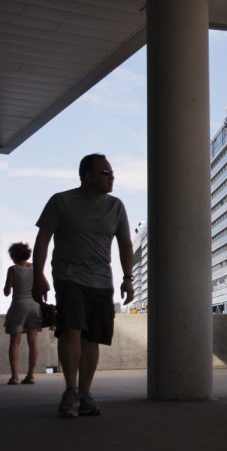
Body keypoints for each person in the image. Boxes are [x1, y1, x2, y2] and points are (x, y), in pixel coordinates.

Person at [32, 153, 134, 418]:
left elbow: (125, 244)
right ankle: (70, 390)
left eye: (112, 172)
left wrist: (128, 278)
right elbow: (43, 239)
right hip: (68, 277)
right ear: (87, 176)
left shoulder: (116, 206)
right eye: (105, 172)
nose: (112, 176)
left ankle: (85, 394)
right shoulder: (61, 201)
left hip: (101, 280)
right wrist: (38, 275)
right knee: (71, 331)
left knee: (92, 338)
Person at [3, 242, 49, 385]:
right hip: (34, 306)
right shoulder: (36, 268)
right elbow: (47, 286)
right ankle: (30, 376)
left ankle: (14, 376)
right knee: (33, 340)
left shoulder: (13, 269)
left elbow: (6, 292)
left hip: (18, 305)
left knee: (15, 342)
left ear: (13, 256)